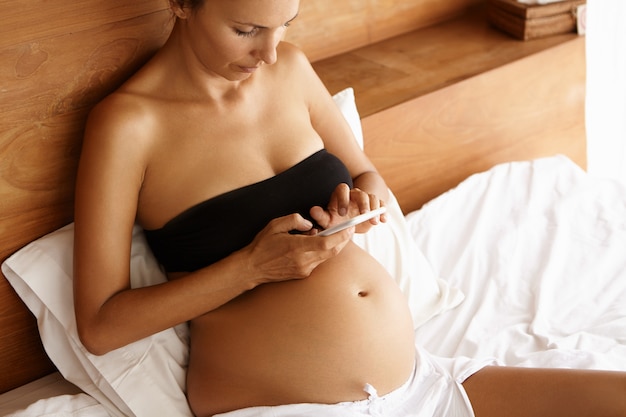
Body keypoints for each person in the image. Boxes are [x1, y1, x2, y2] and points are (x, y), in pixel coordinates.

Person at [73, 0, 626, 416]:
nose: (267, 53)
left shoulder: (289, 69)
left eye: (285, 23)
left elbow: (368, 176)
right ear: (181, 4)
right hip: (279, 406)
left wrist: (359, 203)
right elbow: (99, 324)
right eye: (245, 30)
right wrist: (250, 268)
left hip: (422, 385)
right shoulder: (128, 126)